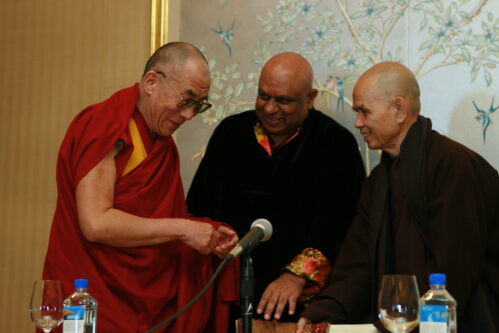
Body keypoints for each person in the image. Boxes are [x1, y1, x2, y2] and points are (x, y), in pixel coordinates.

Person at [42, 42, 240, 333]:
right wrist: (184, 231)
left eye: (199, 105)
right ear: (151, 82)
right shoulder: (106, 125)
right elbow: (96, 223)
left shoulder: (163, 147)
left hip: (142, 303)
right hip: (90, 298)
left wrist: (206, 235)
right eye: (186, 100)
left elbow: (157, 218)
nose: (189, 115)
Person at [297, 62, 499, 333]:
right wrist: (322, 313)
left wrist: (412, 325)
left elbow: (452, 274)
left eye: (364, 112)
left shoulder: (453, 167)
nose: (358, 123)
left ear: (400, 109)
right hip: (401, 324)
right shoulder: (380, 180)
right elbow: (358, 265)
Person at [186, 52, 366, 323]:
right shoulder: (230, 133)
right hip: (227, 292)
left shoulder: (336, 145)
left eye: (284, 101)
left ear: (311, 99)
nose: (270, 109)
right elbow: (198, 209)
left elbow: (344, 230)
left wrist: (297, 276)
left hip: (298, 301)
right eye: (264, 96)